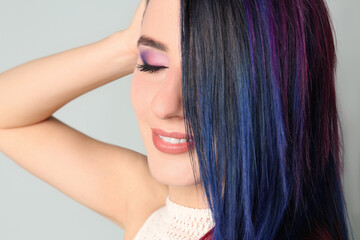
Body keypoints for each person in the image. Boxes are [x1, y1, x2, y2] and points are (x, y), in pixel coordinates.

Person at [0, 0, 353, 239]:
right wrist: (125, 45)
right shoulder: (147, 202)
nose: (165, 105)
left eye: (209, 74)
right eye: (152, 63)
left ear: (273, 90)